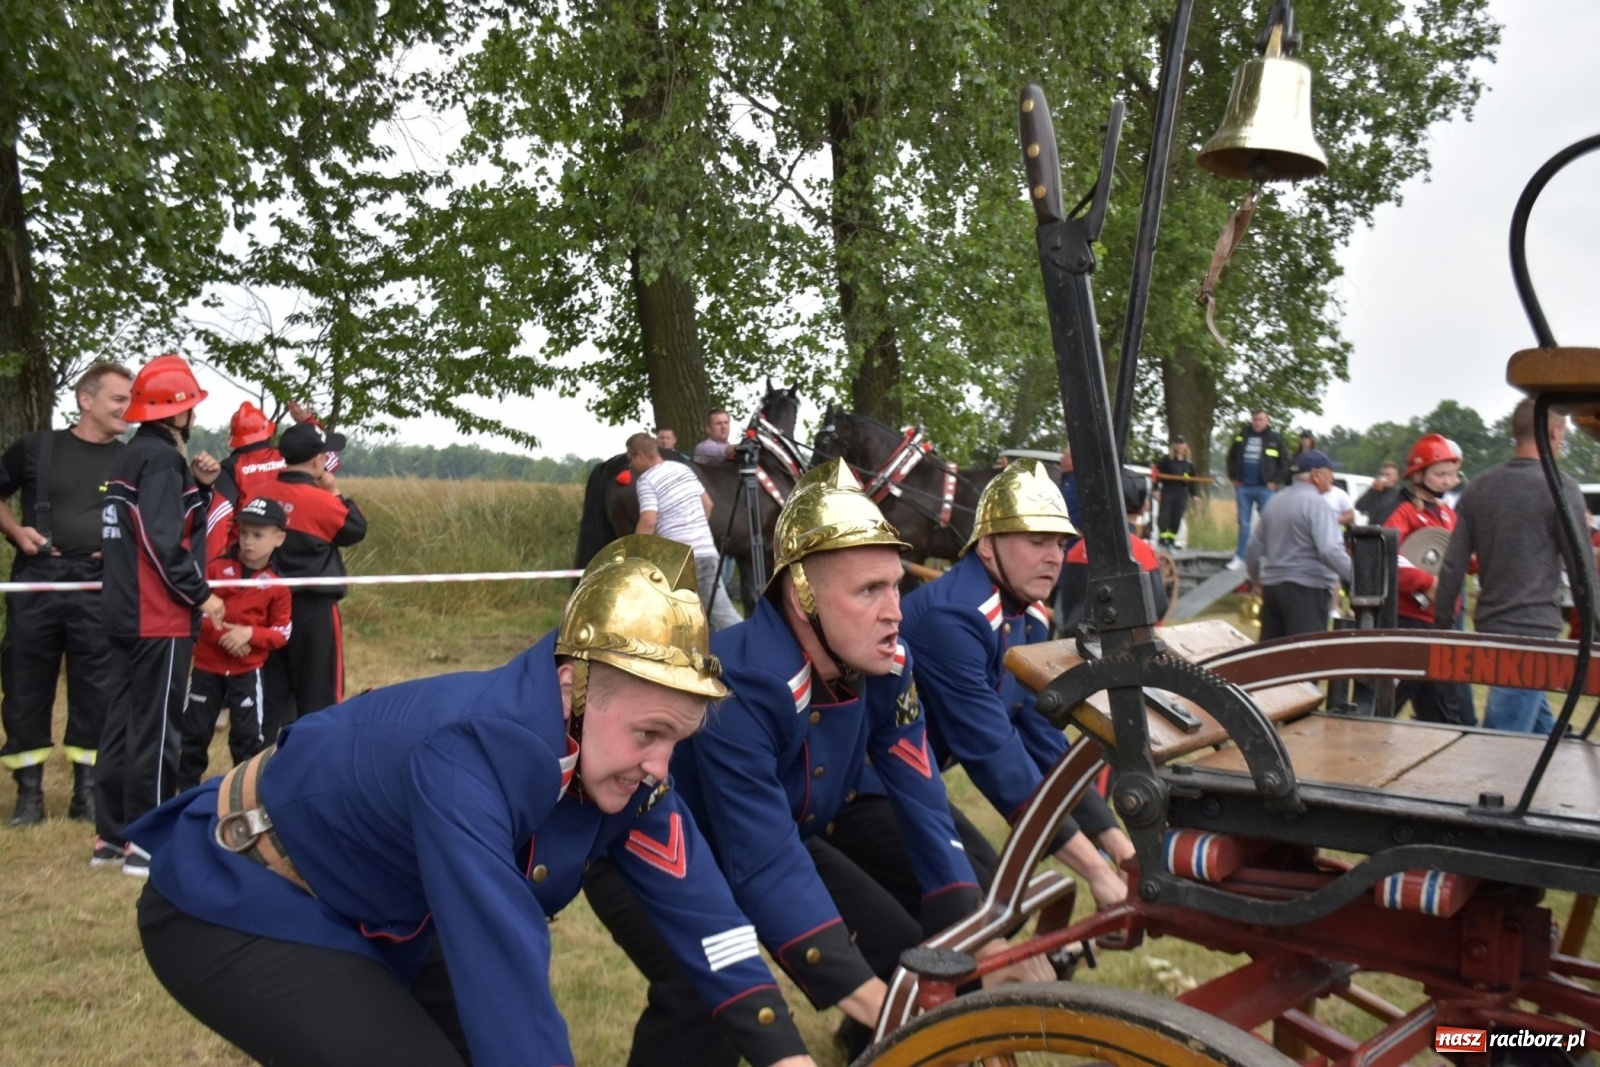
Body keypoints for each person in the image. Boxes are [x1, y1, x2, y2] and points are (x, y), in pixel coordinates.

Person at [129, 536, 817, 1067]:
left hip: (381, 909)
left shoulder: (626, 766)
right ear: (573, 689)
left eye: (676, 740)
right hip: (244, 895)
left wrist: (786, 1054)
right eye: (649, 733)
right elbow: (503, 966)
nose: (661, 767)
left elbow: (708, 918)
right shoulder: (470, 754)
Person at [585, 460, 1044, 1067]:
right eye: (869, 591)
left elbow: (927, 808)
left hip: (773, 836)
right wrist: (886, 1007)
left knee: (901, 950)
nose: (895, 610)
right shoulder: (741, 685)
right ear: (803, 596)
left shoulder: (888, 666)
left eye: (896, 586)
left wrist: (976, 942)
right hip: (644, 846)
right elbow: (762, 861)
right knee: (704, 994)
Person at [902, 460, 1133, 912]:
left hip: (911, 783)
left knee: (993, 898)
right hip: (865, 788)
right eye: (1037, 541)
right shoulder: (952, 619)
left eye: (1061, 544)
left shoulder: (1028, 616)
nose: (1055, 557)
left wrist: (1118, 845)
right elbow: (993, 750)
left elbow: (1041, 737)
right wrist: (1098, 872)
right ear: (987, 545)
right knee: (977, 905)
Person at [97, 354, 227, 874]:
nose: (194, 414)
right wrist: (200, 594)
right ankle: (148, 843)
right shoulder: (162, 461)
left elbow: (157, 524)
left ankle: (111, 838)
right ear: (175, 412)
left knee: (121, 725)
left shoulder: (131, 456)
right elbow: (161, 539)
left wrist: (202, 488)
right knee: (157, 729)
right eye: (190, 406)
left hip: (123, 611)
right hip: (159, 616)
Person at [0, 362, 133, 827]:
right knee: (24, 685)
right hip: (38, 578)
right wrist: (17, 532)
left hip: (100, 584)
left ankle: (87, 794)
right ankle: (29, 796)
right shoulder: (36, 448)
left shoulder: (132, 459)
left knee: (99, 688)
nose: (128, 408)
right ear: (86, 400)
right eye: (119, 399)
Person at [1434, 400, 1594, 734]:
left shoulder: (1481, 485)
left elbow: (1452, 565)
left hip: (1490, 622)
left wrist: (1442, 622)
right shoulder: (1560, 487)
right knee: (1501, 736)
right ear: (1554, 432)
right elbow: (1581, 569)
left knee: (1537, 723)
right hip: (1533, 629)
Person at [177, 496, 292, 791]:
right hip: (206, 668)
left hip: (247, 672)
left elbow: (281, 632)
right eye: (244, 533)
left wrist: (250, 634)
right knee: (193, 735)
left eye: (258, 535)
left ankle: (242, 797)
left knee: (247, 739)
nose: (248, 541)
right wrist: (227, 637)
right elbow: (195, 614)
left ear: (279, 539)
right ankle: (184, 795)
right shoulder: (216, 570)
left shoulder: (278, 585)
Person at [261, 421, 367, 737]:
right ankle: (316, 753)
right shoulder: (323, 502)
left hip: (265, 606)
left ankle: (264, 758)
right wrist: (334, 492)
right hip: (313, 610)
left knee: (270, 695)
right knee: (320, 694)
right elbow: (355, 529)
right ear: (318, 461)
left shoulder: (260, 493)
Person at [1383, 434, 1475, 726]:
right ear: (1418, 474)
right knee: (1384, 705)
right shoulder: (1405, 512)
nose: (1448, 481)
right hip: (1411, 624)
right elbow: (1387, 554)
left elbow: (1462, 555)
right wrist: (1427, 583)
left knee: (1444, 714)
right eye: (1440, 474)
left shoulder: (1447, 514)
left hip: (1440, 624)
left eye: (1452, 474)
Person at [627, 432, 740, 630]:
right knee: (704, 614)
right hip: (706, 551)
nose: (630, 465)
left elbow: (648, 521)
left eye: (630, 459)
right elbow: (708, 504)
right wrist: (695, 530)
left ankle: (753, 644)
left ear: (640, 456)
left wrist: (635, 555)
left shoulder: (647, 480)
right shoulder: (684, 469)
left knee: (717, 617)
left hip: (678, 558)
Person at [1244, 450, 1352, 641]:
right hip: (1307, 591)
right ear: (1315, 474)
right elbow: (1330, 550)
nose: (1332, 477)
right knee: (1305, 654)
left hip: (1273, 589)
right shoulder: (1318, 505)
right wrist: (1357, 577)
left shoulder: (1274, 502)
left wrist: (1257, 580)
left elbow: (1253, 549)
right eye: (1329, 471)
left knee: (1273, 653)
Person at [1058, 470, 1170, 634]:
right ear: (1143, 507)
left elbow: (1066, 605)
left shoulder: (1075, 551)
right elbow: (1158, 607)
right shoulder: (1141, 551)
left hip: (1076, 640)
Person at [1226, 409, 1289, 568]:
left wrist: (1275, 481)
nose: (1257, 422)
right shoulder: (1241, 436)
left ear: (1267, 421)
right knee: (1244, 524)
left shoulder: (1275, 439)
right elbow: (1231, 458)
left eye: (1261, 419)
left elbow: (1284, 462)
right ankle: (1240, 557)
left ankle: (1269, 557)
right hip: (1244, 488)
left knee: (1269, 522)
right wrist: (1234, 477)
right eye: (1255, 419)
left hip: (1265, 488)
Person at [1151, 435, 1196, 547]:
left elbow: (1193, 482)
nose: (1179, 445)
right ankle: (1163, 539)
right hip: (1168, 490)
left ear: (1185, 446)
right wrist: (1155, 489)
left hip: (1181, 492)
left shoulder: (1189, 465)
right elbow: (1157, 474)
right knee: (1164, 515)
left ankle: (1172, 540)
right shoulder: (1167, 460)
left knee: (1177, 516)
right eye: (1177, 443)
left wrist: (1194, 495)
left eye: (1181, 443)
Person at [1356, 461, 1404, 527]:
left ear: (1395, 478)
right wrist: (1372, 490)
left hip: (1390, 530)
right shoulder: (1374, 492)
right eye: (1382, 474)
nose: (1384, 477)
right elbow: (1359, 506)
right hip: (1373, 530)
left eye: (1387, 475)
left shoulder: (1400, 494)